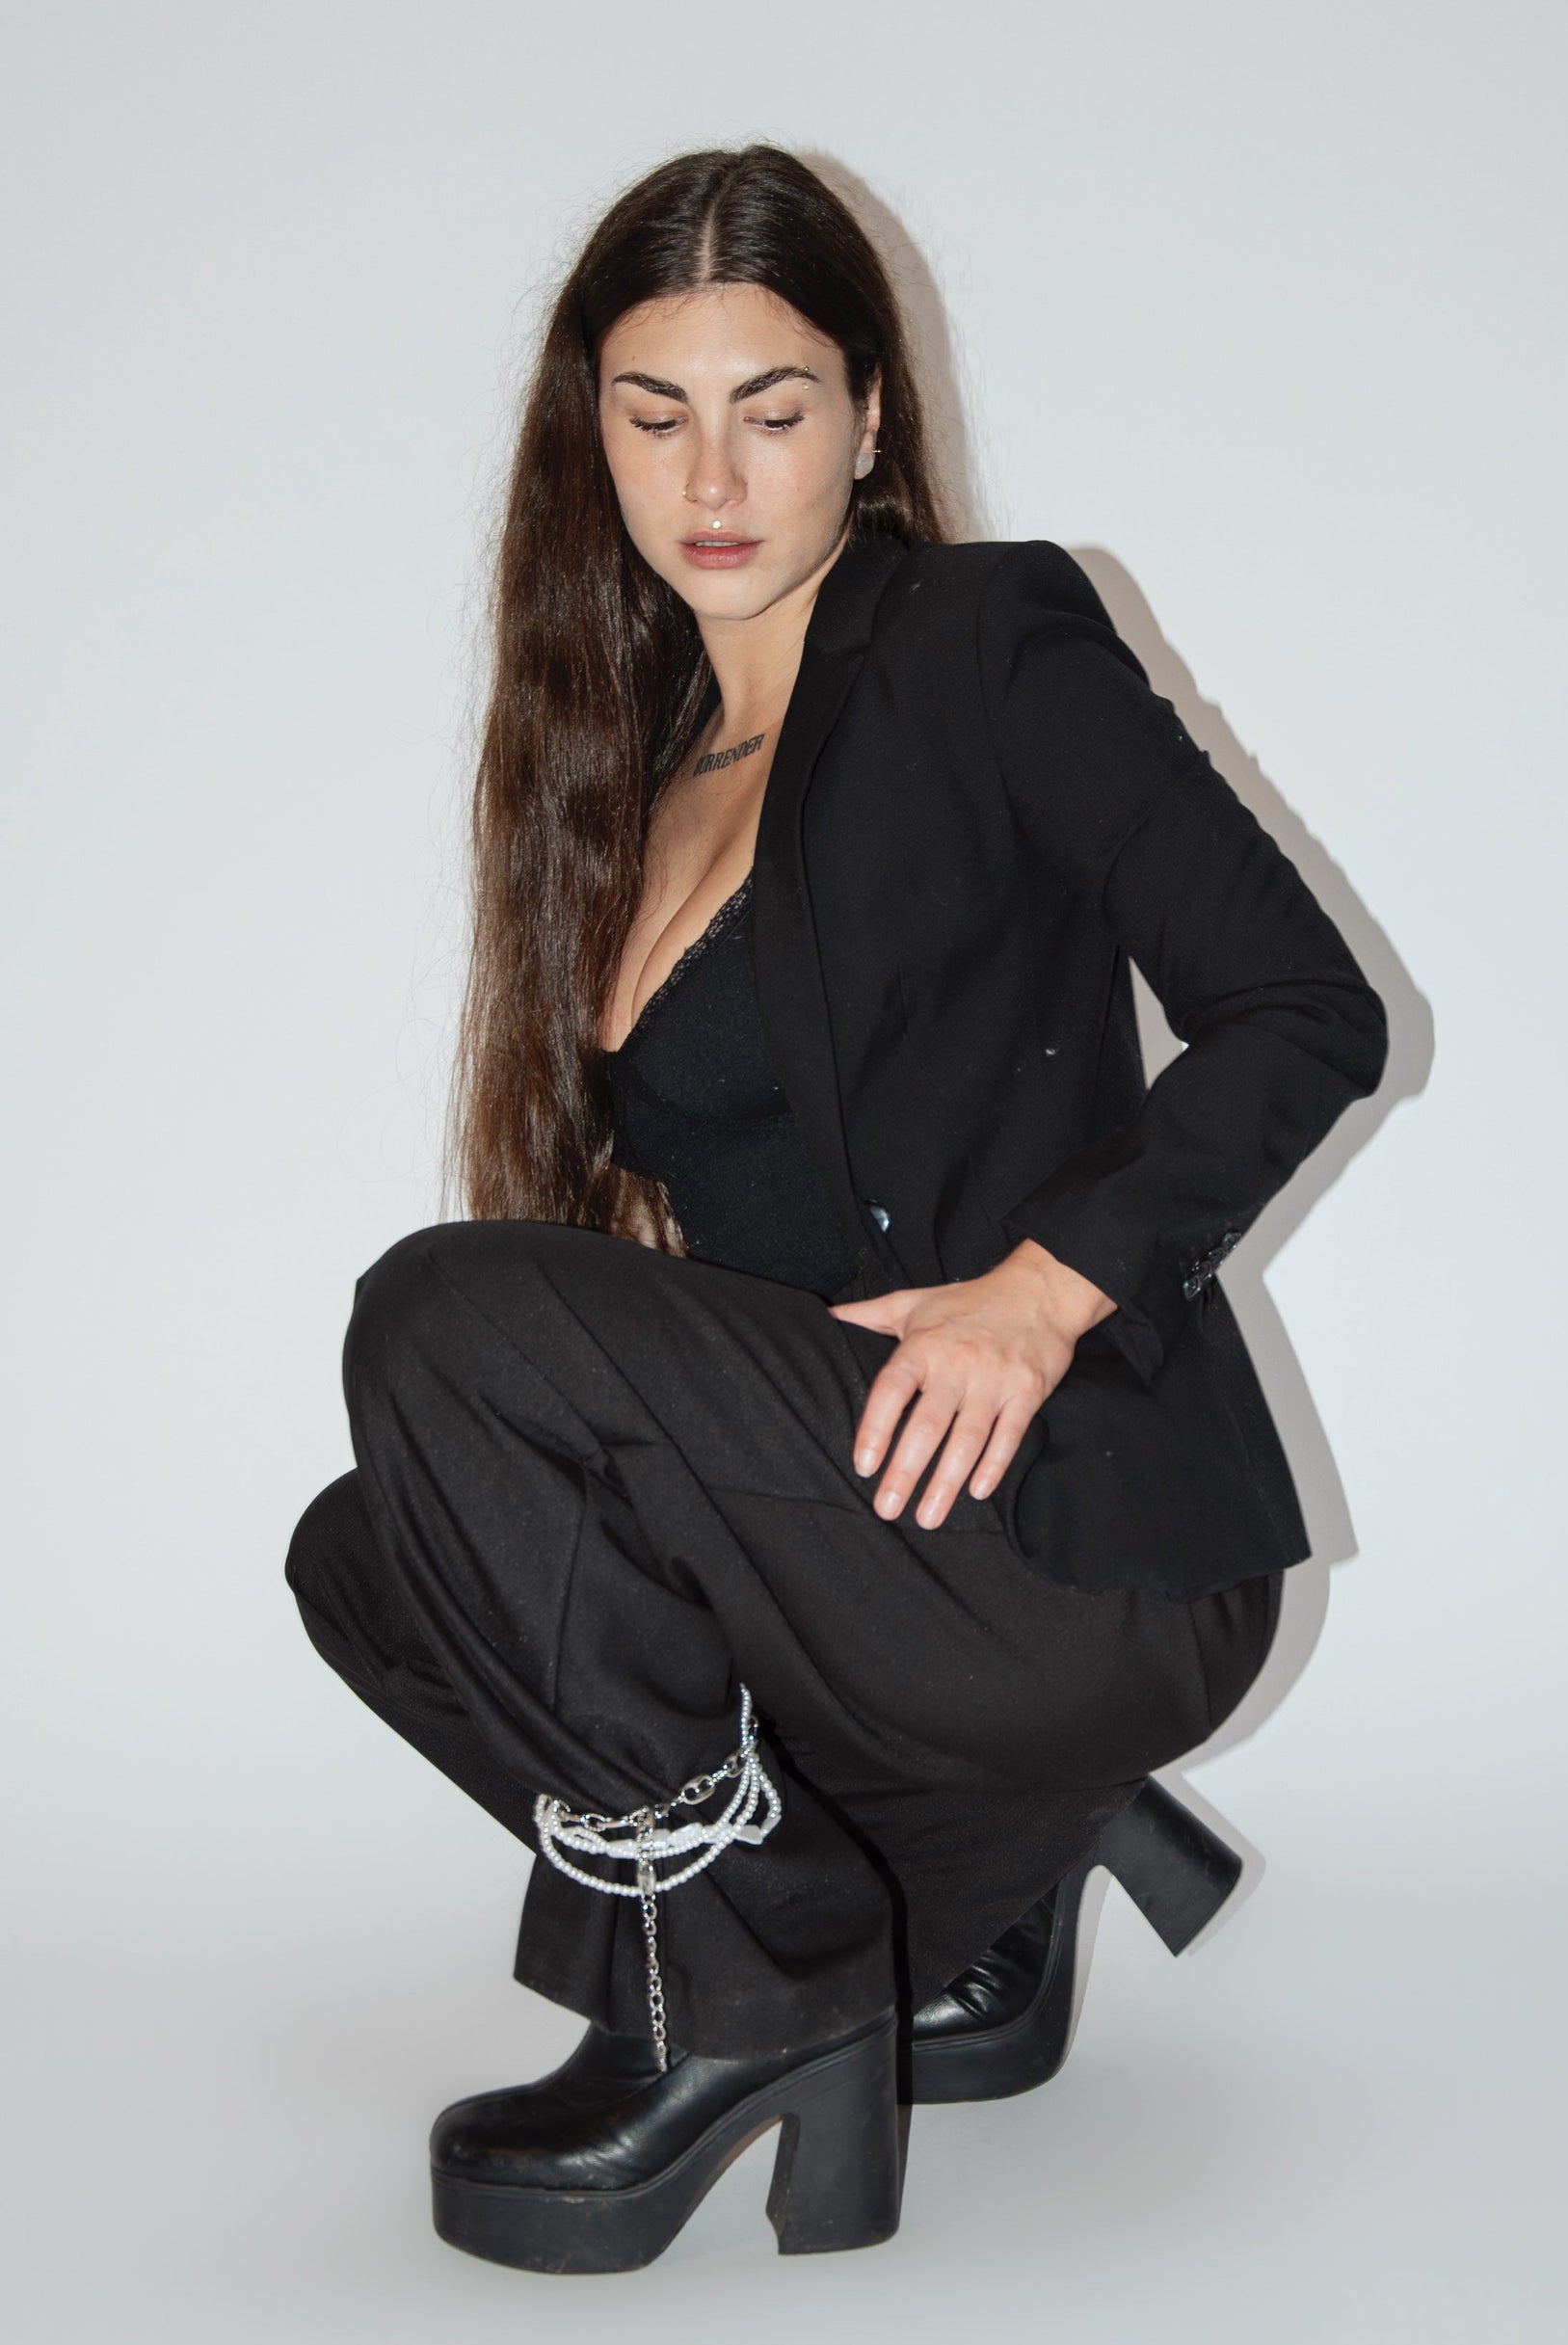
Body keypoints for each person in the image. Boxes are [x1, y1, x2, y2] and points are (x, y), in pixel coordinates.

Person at [284, 144, 1388, 2275]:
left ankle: (749, 1995)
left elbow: (1302, 1006)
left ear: (869, 419)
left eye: (771, 406)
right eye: (653, 411)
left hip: (1044, 1523)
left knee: (435, 1311)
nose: (712, 474)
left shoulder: (981, 642)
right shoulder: (634, 767)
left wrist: (1044, 1292)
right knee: (376, 1557)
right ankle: (927, 1885)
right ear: (588, 432)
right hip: (861, 1520)